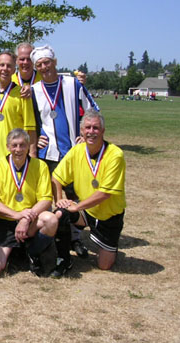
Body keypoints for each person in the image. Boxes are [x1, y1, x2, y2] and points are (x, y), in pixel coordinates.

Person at [30, 45, 100, 260]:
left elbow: (92, 110)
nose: (44, 67)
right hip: (48, 154)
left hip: (73, 151)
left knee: (75, 197)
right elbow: (32, 120)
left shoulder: (72, 83)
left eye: (47, 62)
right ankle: (59, 240)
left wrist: (83, 132)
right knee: (54, 198)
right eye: (39, 64)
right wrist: (36, 139)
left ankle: (76, 239)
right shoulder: (34, 90)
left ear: (55, 61)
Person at [50, 109, 126, 276]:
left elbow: (105, 193)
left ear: (103, 131)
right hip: (87, 211)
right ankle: (64, 259)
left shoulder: (115, 155)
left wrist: (77, 206)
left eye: (96, 128)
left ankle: (108, 244)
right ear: (82, 131)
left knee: (105, 266)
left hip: (109, 216)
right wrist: (59, 200)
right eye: (88, 128)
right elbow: (56, 177)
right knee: (61, 214)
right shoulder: (77, 151)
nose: (91, 132)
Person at [0, 128, 57, 276]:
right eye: (14, 145)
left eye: (22, 145)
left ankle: (32, 252)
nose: (18, 149)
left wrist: (25, 219)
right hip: (5, 221)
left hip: (31, 221)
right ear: (8, 147)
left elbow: (46, 199)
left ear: (29, 146)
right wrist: (17, 215)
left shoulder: (40, 166)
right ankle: (16, 251)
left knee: (51, 220)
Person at [0, 51, 36, 167]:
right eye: (2, 65)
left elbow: (30, 128)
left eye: (9, 66)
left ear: (14, 70)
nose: (5, 69)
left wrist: (32, 156)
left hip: (15, 157)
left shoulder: (22, 94)